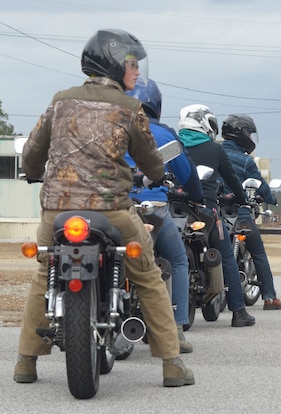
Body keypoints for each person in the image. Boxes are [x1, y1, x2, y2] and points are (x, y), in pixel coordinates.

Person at [15, 29, 194, 387]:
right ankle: (172, 364)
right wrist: (156, 174)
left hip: (56, 211)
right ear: (113, 65)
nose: (137, 72)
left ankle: (25, 362)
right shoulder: (129, 108)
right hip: (112, 210)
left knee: (44, 273)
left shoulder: (60, 100)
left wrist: (33, 173)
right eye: (132, 64)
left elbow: (33, 153)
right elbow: (151, 162)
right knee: (147, 276)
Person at [125, 79, 204, 352]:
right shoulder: (164, 134)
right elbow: (187, 173)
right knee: (179, 260)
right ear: (156, 105)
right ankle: (178, 330)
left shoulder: (112, 126)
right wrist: (197, 196)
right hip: (154, 208)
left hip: (117, 205)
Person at [177, 104, 256, 327]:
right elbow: (231, 179)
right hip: (206, 210)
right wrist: (241, 197)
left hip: (176, 209)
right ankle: (239, 312)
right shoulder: (214, 149)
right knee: (227, 256)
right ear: (204, 123)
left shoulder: (173, 145)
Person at [220, 114, 281, 310]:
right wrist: (271, 199)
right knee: (258, 252)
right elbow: (262, 187)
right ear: (243, 134)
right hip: (240, 213)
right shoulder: (245, 161)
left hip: (215, 213)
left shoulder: (215, 152)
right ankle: (270, 297)